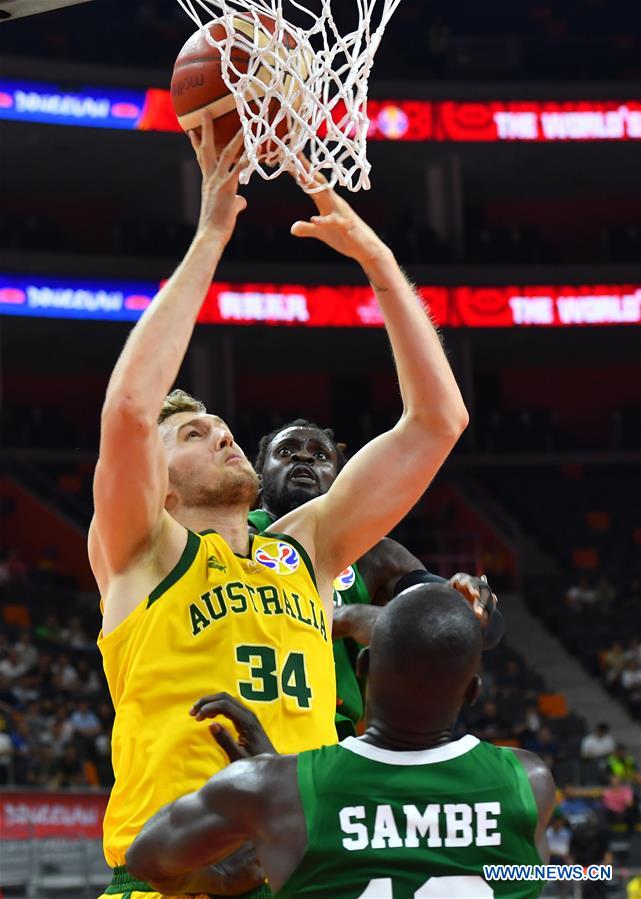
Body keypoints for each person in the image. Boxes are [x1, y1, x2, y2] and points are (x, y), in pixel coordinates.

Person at [90, 121, 469, 898]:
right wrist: (212, 233)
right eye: (193, 434)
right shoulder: (141, 550)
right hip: (174, 873)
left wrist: (378, 262)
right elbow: (129, 409)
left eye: (222, 428)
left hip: (300, 872)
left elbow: (437, 422)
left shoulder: (308, 545)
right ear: (156, 480)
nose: (222, 437)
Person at [127, 586, 555, 898]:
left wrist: (217, 877)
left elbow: (145, 858)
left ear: (363, 666)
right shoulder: (529, 782)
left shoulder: (271, 789)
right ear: (472, 692)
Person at [249, 418, 503, 733]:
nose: (303, 457)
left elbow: (484, 633)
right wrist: (347, 618)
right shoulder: (234, 537)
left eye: (320, 455)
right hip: (243, 717)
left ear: (342, 482)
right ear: (258, 480)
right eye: (287, 451)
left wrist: (473, 603)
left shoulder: (373, 554)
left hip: (330, 736)